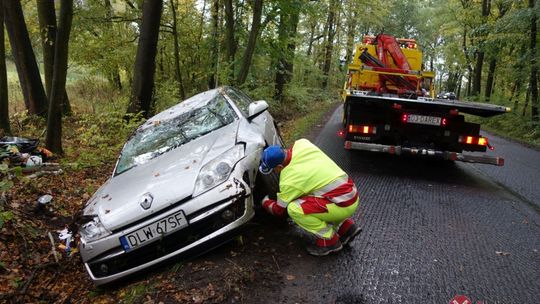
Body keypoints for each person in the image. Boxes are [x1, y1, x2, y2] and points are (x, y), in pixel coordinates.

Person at [259, 138, 361, 256]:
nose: (275, 172)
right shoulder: (302, 144)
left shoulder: (289, 180)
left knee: (295, 208)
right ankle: (347, 228)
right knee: (316, 194)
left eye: (274, 170)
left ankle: (329, 240)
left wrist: (265, 202)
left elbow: (279, 210)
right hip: (351, 193)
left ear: (280, 167)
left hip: (342, 205)